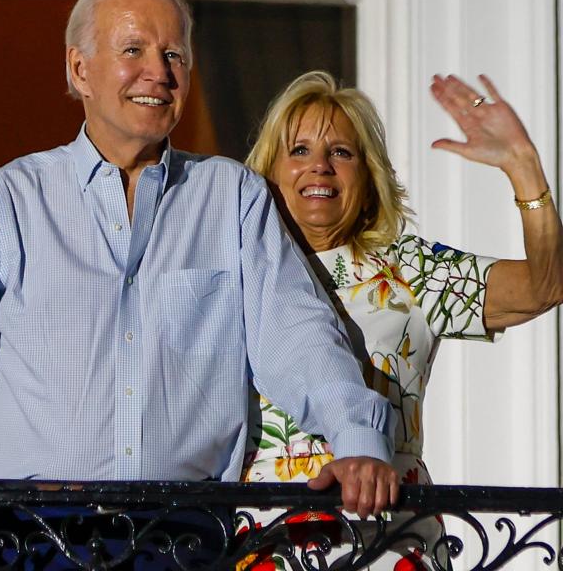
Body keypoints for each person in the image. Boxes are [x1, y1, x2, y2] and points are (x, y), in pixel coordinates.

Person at [0, 0, 399, 551]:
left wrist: (358, 437)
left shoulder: (232, 196)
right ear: (79, 70)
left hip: (182, 537)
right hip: (31, 536)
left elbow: (296, 333)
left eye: (174, 55)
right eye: (133, 50)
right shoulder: (11, 199)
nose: (158, 72)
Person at [241, 70, 563, 569]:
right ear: (267, 171)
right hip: (266, 537)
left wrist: (524, 168)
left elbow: (547, 285)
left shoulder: (411, 268)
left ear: (368, 175)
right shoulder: (232, 272)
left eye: (341, 153)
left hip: (391, 537)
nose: (320, 167)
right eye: (299, 151)